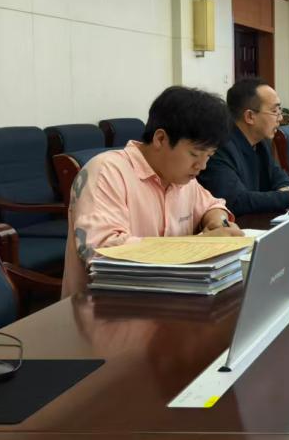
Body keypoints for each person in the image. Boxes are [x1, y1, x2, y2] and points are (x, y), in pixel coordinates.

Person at [62, 86, 243, 298]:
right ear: (160, 139)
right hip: (107, 306)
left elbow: (212, 205)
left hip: (172, 299)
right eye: (195, 154)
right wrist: (200, 244)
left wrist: (218, 221)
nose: (202, 166)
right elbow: (103, 250)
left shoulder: (181, 178)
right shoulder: (106, 172)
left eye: (209, 156)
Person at [198, 78, 289, 217]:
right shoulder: (220, 147)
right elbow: (234, 201)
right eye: (275, 111)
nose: (280, 118)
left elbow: (279, 176)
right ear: (250, 116)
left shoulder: (260, 142)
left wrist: (285, 191)